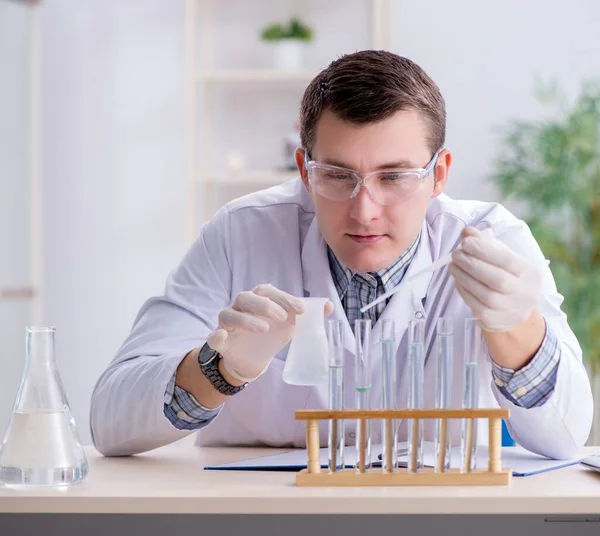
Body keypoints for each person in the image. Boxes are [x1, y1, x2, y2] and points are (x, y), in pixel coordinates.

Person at [90, 50, 593, 459]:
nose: (365, 211)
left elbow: (569, 438)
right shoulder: (239, 234)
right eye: (337, 176)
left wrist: (520, 332)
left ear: (439, 174)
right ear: (305, 171)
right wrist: (219, 370)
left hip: (436, 513)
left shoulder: (492, 239)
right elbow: (109, 421)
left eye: (394, 176)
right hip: (261, 516)